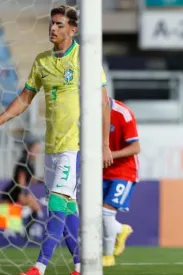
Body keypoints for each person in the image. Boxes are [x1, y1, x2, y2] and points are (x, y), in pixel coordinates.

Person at [0, 5, 113, 275]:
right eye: (51, 23)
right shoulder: (42, 61)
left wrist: (105, 143)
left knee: (56, 204)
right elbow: (26, 99)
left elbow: (103, 103)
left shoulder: (85, 59)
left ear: (73, 29)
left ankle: (39, 266)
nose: (53, 28)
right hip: (52, 145)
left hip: (74, 146)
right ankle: (79, 265)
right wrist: (2, 118)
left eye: (59, 24)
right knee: (68, 206)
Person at [102, 98, 140, 267]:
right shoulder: (89, 112)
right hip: (101, 171)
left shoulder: (122, 114)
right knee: (96, 216)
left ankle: (108, 257)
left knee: (106, 213)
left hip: (125, 171)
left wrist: (110, 155)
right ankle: (120, 230)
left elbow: (136, 148)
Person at [0, 135, 43, 238]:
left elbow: (30, 179)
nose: (38, 150)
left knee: (36, 208)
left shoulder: (30, 162)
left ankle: (27, 232)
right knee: (4, 220)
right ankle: (27, 231)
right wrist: (23, 193)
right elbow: (21, 180)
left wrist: (41, 180)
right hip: (14, 192)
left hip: (17, 191)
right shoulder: (24, 160)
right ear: (30, 147)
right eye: (36, 148)